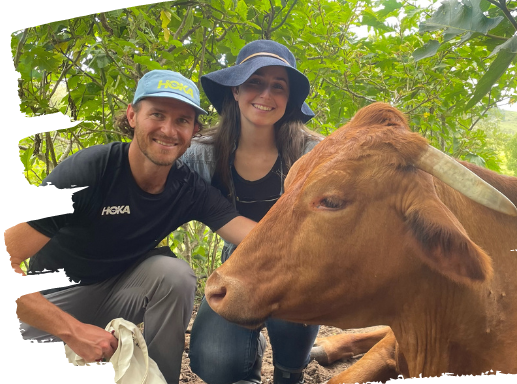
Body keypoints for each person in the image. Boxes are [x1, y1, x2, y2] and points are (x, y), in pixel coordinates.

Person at [5, 69, 256, 384]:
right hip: (51, 305)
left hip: (115, 296)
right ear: (133, 115)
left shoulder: (187, 188)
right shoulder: (89, 172)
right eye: (157, 115)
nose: (168, 129)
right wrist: (73, 330)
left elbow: (253, 236)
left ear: (193, 130)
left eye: (182, 120)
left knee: (174, 275)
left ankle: (161, 380)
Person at [181, 40, 322, 384]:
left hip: (301, 262)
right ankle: (245, 363)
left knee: (294, 311)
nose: (265, 94)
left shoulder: (312, 153)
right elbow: (157, 197)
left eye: (278, 86)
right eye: (255, 82)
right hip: (240, 260)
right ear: (235, 91)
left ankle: (290, 372)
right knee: (213, 360)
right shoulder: (202, 155)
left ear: (289, 100)